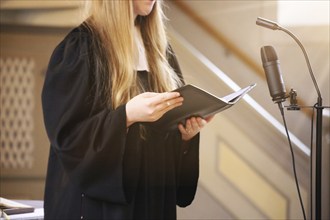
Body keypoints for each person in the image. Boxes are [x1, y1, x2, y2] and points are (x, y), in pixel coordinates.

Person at [42, 0, 213, 219]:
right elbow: (69, 139)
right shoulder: (81, 47)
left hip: (153, 203)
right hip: (105, 209)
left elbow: (159, 145)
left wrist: (185, 137)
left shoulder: (160, 50)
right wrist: (127, 116)